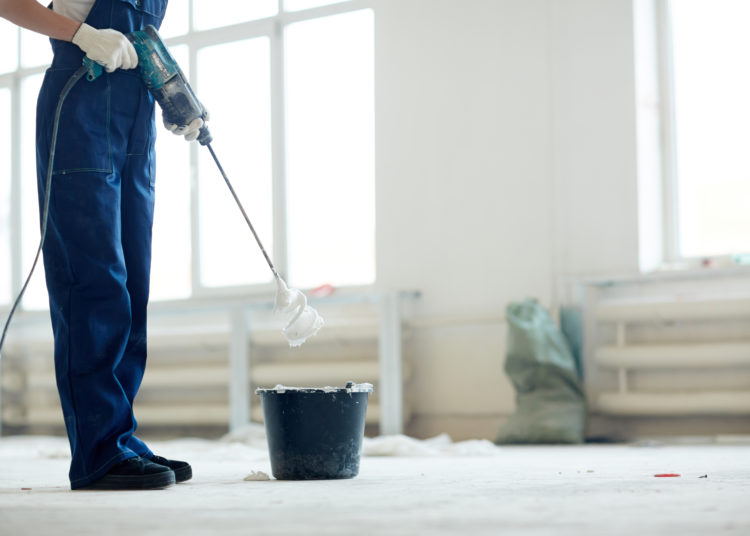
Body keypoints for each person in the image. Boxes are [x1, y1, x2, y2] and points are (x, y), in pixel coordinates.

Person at [0, 0, 203, 490]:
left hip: (136, 114)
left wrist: (172, 92)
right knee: (95, 282)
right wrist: (80, 35)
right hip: (80, 102)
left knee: (133, 284)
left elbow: (143, 39)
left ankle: (119, 437)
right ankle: (98, 452)